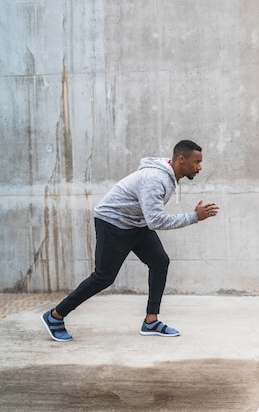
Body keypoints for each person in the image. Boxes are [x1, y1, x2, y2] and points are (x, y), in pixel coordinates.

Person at [41, 139, 219, 341]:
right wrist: (194, 217)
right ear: (181, 159)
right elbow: (156, 220)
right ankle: (55, 315)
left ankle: (151, 321)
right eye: (196, 162)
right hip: (113, 222)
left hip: (136, 223)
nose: (199, 167)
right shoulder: (155, 179)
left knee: (160, 262)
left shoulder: (168, 175)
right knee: (103, 277)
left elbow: (149, 219)